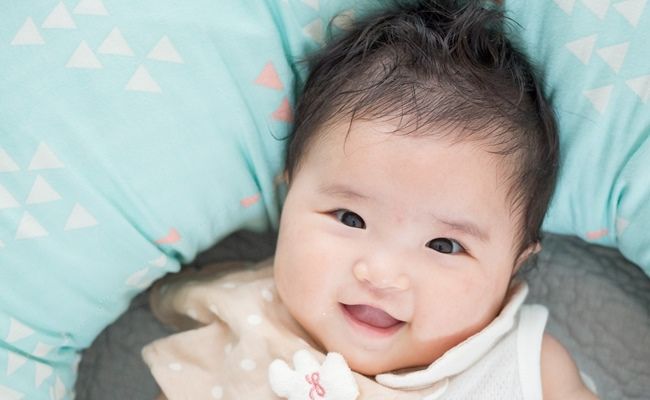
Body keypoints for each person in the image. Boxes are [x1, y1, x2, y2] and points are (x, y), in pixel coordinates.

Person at [141, 1, 598, 398]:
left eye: (444, 246)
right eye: (350, 218)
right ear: (288, 194)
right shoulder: (242, 333)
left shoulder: (523, 365)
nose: (382, 274)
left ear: (513, 265)